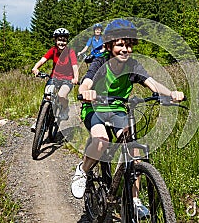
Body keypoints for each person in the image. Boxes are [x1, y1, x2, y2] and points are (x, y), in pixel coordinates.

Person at [70, 19, 184, 218]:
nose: (126, 49)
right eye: (120, 44)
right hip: (95, 108)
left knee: (134, 148)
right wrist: (86, 91)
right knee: (101, 141)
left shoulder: (133, 65)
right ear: (109, 45)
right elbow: (86, 83)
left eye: (129, 45)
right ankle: (83, 169)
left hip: (118, 109)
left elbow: (152, 83)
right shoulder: (100, 61)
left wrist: (170, 93)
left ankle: (134, 200)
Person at [32, 27, 79, 123]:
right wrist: (35, 68)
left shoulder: (70, 52)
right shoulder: (53, 50)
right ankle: (39, 122)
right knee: (47, 96)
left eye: (64, 40)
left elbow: (75, 66)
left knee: (62, 95)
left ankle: (65, 109)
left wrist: (76, 78)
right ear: (55, 40)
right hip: (54, 77)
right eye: (59, 40)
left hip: (67, 79)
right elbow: (42, 60)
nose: (61, 43)